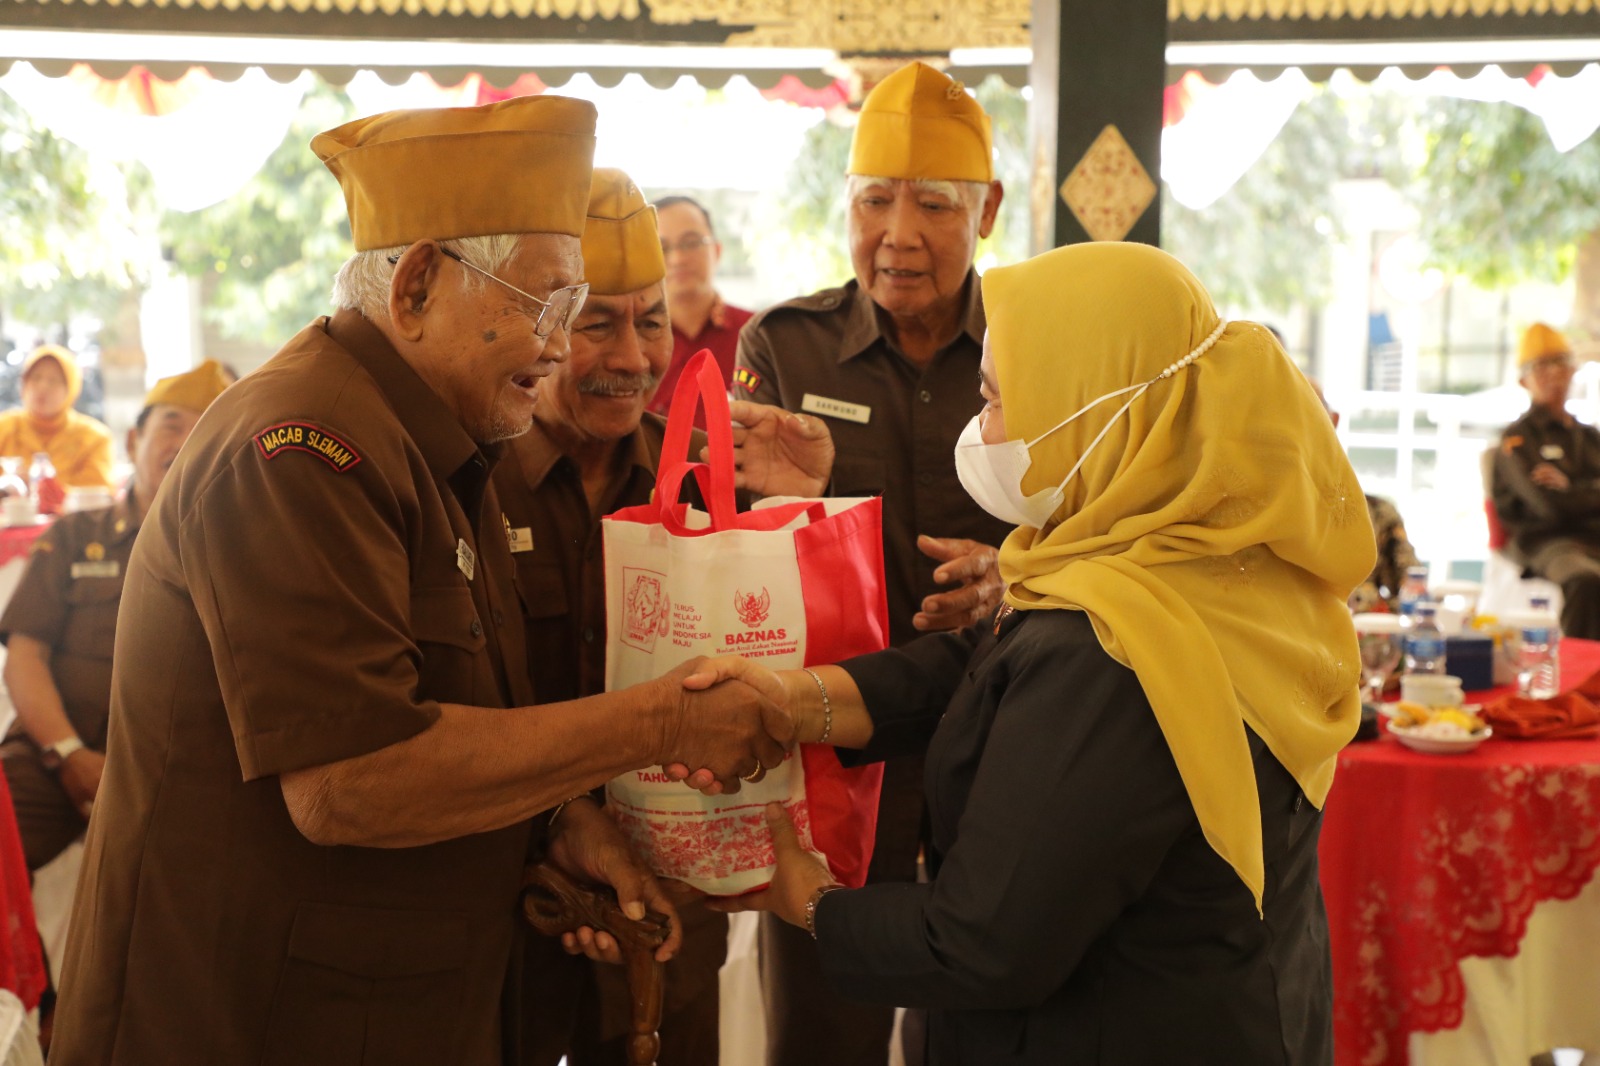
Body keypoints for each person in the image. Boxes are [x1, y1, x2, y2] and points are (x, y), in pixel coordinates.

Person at [48, 98, 789, 1066]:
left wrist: (563, 822)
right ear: (418, 285)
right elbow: (350, 783)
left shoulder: (439, 438)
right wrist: (663, 722)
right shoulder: (303, 448)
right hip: (255, 1014)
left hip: (390, 1000)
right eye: (548, 305)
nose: (562, 348)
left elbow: (457, 706)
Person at [689, 241, 1372, 1064]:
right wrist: (800, 698)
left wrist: (816, 905)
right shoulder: (1207, 567)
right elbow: (979, 666)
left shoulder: (1115, 644)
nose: (980, 428)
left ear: (1093, 414)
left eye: (998, 399)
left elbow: (982, 938)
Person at [729, 59, 1011, 1066]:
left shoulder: (1033, 347)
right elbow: (731, 549)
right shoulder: (787, 346)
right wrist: (784, 509)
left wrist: (1013, 576)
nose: (897, 234)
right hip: (834, 740)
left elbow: (1094, 528)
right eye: (872, 202)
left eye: (932, 205)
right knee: (822, 1024)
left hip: (1001, 737)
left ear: (988, 209)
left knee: (985, 1015)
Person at [499, 170, 726, 1066]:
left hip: (672, 898)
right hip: (510, 897)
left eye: (653, 321)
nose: (633, 356)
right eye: (599, 324)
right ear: (542, 327)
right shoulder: (472, 479)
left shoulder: (710, 474)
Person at [0, 360, 229, 873]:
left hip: (183, 774)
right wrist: (69, 754)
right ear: (132, 443)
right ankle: (25, 957)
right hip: (54, 753)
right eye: (172, 424)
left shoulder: (240, 553)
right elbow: (25, 659)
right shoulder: (74, 536)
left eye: (206, 428)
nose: (187, 441)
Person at [1492, 322, 1600, 638]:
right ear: (1524, 380)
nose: (1553, 373)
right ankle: (1583, 678)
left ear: (1572, 370)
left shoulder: (1590, 437)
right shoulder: (1517, 439)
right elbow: (1548, 507)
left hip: (1593, 537)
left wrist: (1571, 487)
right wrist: (1590, 491)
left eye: (1560, 363)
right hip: (1547, 541)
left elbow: (1564, 498)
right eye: (1542, 366)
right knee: (1586, 581)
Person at [1306, 378, 1418, 612]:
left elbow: (1413, 589)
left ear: (1333, 421)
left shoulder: (1378, 514)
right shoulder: (1253, 516)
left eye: (1311, 415)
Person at [649, 195, 753, 428]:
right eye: (661, 248)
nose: (677, 259)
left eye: (691, 242)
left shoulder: (756, 335)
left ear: (717, 251)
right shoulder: (635, 340)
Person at [0, 346, 114, 490]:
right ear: (23, 384)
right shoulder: (4, 427)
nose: (43, 387)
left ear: (71, 389)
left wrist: (44, 489)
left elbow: (99, 494)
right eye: (36, 378)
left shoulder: (94, 438)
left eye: (53, 380)